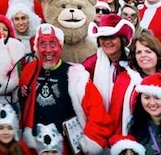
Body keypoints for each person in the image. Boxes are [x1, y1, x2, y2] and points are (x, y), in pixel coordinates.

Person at [19, 24, 111, 154]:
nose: (48, 50)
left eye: (52, 44)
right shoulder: (30, 70)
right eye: (43, 44)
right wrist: (22, 94)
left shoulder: (76, 76)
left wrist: (90, 142)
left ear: (60, 47)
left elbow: (97, 112)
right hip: (34, 146)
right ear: (36, 48)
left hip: (64, 148)